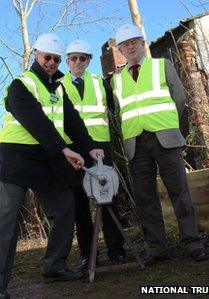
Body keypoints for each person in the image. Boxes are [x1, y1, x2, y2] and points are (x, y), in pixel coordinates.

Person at [0, 33, 103, 299]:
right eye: (48, 57)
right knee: (7, 219)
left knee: (64, 206)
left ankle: (55, 266)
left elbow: (73, 121)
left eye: (57, 59)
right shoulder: (21, 85)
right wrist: (64, 149)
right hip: (16, 158)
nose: (52, 63)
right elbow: (36, 121)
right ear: (37, 55)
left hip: (47, 158)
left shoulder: (58, 88)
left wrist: (89, 145)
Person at [111, 24, 208, 265]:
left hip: (165, 138)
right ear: (120, 50)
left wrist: (175, 131)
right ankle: (157, 248)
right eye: (125, 44)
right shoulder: (117, 80)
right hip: (135, 143)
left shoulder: (161, 65)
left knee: (179, 191)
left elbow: (180, 99)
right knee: (145, 198)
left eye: (135, 41)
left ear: (142, 43)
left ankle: (192, 242)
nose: (131, 46)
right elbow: (118, 111)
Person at [62, 39, 126, 270]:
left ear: (88, 61)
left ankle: (117, 251)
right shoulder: (57, 85)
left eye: (83, 58)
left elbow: (113, 108)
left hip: (100, 147)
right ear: (67, 61)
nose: (78, 62)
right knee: (79, 202)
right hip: (72, 149)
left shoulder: (100, 83)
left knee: (108, 196)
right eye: (73, 58)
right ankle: (88, 255)